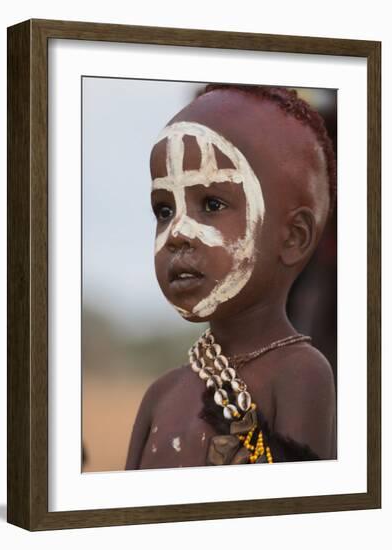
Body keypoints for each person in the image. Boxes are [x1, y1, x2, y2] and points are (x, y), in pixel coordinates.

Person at [125, 84, 337, 469]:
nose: (178, 233)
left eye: (211, 204)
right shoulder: (160, 396)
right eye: (163, 210)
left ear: (293, 237)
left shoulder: (300, 374)